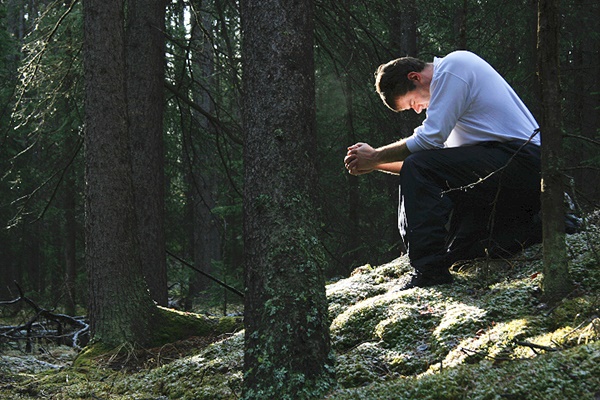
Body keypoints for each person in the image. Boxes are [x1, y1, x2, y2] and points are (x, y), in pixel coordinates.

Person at [344, 50, 542, 289]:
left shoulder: (454, 67)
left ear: (415, 77)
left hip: (522, 161)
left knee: (420, 164)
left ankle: (428, 271)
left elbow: (428, 144)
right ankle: (546, 222)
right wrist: (375, 164)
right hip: (505, 172)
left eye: (412, 103)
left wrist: (375, 155)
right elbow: (432, 165)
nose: (418, 110)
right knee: (461, 253)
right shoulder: (453, 100)